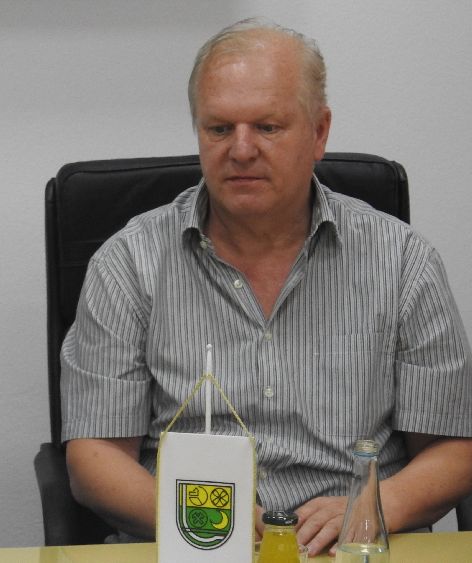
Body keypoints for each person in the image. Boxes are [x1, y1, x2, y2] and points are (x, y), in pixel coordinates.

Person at [61, 18, 472, 557]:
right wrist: (224, 521)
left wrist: (376, 505)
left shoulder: (402, 261)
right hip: (198, 541)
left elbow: (453, 446)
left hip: (353, 547)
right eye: (219, 128)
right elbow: (94, 459)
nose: (241, 149)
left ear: (319, 133)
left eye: (268, 127)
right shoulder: (128, 264)